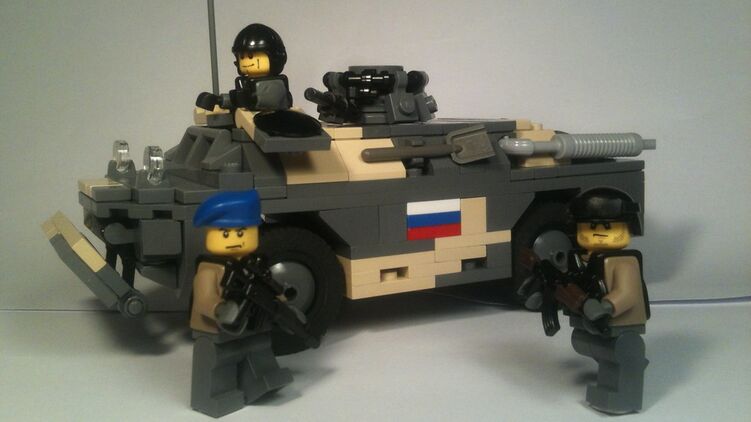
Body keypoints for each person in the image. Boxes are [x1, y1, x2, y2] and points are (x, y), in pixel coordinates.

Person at [189, 190, 293, 418]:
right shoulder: (210, 270)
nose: (235, 240)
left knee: (258, 349)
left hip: (252, 325)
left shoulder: (253, 265)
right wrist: (219, 309)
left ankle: (261, 380)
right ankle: (216, 396)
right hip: (217, 328)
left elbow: (269, 288)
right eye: (225, 233)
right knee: (220, 361)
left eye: (242, 232)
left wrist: (282, 301)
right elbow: (204, 299)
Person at [567, 189, 650, 414]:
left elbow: (627, 293)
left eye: (608, 227)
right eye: (590, 228)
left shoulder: (624, 262)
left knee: (623, 353)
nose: (599, 234)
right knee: (595, 347)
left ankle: (622, 398)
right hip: (594, 322)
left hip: (620, 322)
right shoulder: (585, 261)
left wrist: (605, 307)